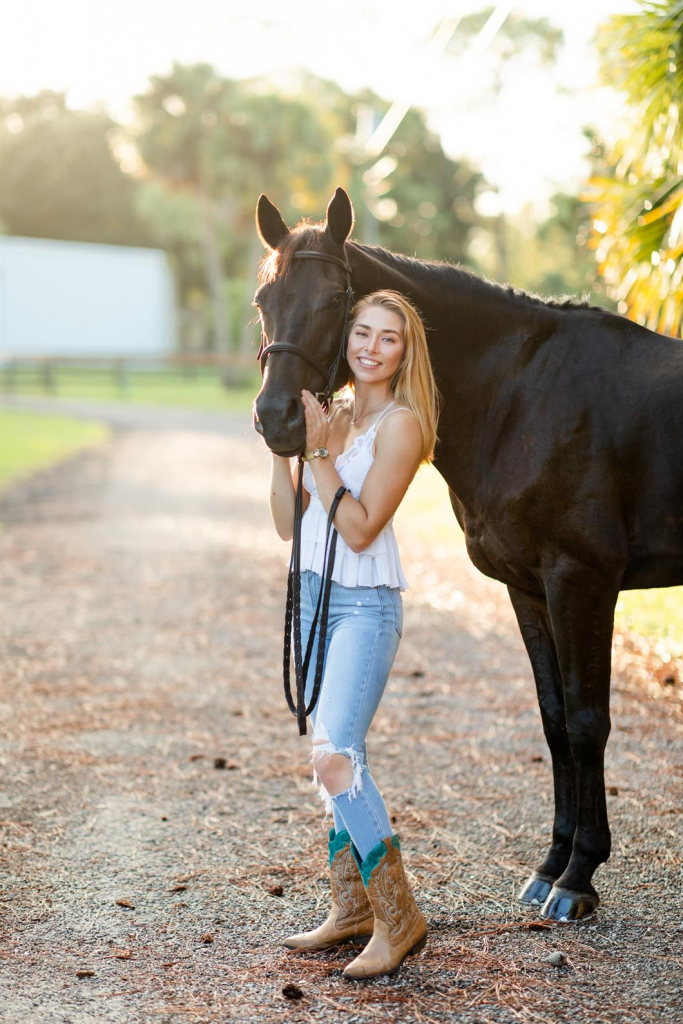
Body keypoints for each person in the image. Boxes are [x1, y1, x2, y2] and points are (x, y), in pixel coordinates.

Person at [267, 289, 441, 979]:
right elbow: (288, 524)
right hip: (312, 593)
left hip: (364, 605)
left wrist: (318, 456)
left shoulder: (403, 424)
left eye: (387, 338)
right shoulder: (331, 412)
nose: (369, 347)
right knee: (334, 759)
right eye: (361, 332)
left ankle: (399, 919)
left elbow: (362, 526)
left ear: (405, 351)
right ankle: (352, 910)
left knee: (335, 755)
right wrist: (283, 448)